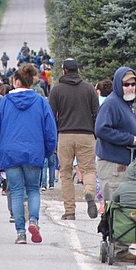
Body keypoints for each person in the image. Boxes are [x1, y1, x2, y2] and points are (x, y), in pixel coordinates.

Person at [0, 63, 58, 244]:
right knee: (33, 189)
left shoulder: (5, 103)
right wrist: (48, 151)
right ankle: (33, 220)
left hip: (10, 153)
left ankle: (20, 232)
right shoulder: (41, 102)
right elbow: (50, 131)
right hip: (34, 152)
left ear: (17, 82)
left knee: (17, 191)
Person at [48, 58, 100, 220]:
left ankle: (69, 211)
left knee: (65, 173)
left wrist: (55, 134)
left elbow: (51, 115)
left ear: (64, 71)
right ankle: (89, 192)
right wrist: (95, 133)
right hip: (86, 134)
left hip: (65, 135)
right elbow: (96, 114)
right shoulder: (89, 89)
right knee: (89, 170)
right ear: (78, 70)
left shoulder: (57, 90)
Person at [94, 66, 136, 204]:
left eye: (133, 84)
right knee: (116, 211)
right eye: (126, 84)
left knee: (123, 214)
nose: (130, 87)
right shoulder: (112, 103)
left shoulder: (126, 103)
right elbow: (101, 129)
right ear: (118, 84)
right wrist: (129, 139)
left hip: (124, 167)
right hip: (114, 169)